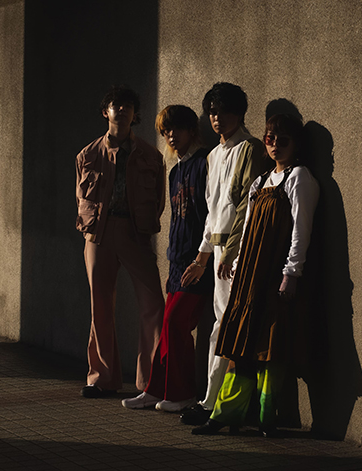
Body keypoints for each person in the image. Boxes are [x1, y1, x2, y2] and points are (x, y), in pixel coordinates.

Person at [191, 113, 320, 436]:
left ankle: (266, 418)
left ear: (296, 144)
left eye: (283, 140)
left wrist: (291, 273)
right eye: (270, 139)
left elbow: (301, 232)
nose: (275, 145)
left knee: (269, 346)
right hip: (249, 275)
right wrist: (237, 264)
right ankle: (225, 414)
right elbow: (248, 227)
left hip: (276, 273)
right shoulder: (260, 182)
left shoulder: (299, 178)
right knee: (241, 344)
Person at [179, 83, 270, 425]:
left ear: (240, 113)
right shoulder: (213, 155)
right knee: (221, 324)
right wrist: (202, 257)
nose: (217, 118)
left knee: (229, 326)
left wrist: (232, 252)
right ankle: (212, 402)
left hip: (240, 250)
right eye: (212, 112)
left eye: (223, 111)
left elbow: (247, 205)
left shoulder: (250, 148)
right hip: (219, 251)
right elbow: (211, 211)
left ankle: (217, 405)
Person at [121, 105, 213, 412]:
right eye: (166, 131)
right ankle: (157, 389)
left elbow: (212, 216)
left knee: (176, 323)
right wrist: (173, 261)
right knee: (169, 327)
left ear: (191, 130)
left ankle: (182, 393)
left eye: (177, 129)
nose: (171, 135)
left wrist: (201, 260)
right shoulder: (175, 171)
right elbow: (177, 221)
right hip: (177, 261)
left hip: (198, 262)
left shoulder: (205, 163)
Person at [75, 85, 166, 397]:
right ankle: (101, 379)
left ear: (135, 114)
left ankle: (151, 382)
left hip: (135, 233)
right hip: (98, 236)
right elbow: (80, 198)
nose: (122, 110)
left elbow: (158, 201)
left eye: (128, 106)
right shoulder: (87, 155)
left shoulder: (151, 156)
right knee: (100, 305)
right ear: (106, 112)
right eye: (117, 105)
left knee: (153, 304)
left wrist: (142, 227)